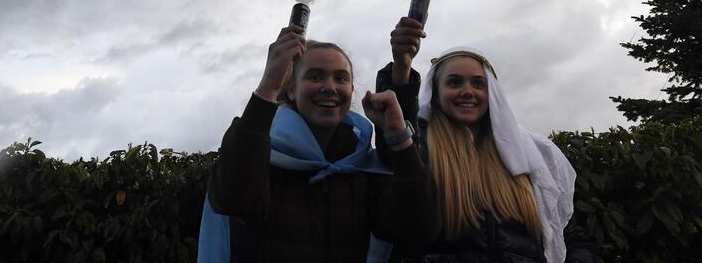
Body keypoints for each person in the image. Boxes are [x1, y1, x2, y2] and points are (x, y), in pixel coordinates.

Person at [375, 17, 601, 263]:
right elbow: (396, 145)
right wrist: (401, 68)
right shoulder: (418, 149)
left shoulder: (531, 153)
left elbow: (569, 236)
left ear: (492, 93)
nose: (467, 91)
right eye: (454, 82)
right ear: (436, 94)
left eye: (478, 83)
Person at [198, 25, 431, 262]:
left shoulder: (362, 168)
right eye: (315, 76)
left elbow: (412, 228)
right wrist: (268, 85)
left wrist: (399, 137)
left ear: (352, 90)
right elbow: (233, 199)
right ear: (290, 89)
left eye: (341, 78)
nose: (329, 87)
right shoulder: (259, 154)